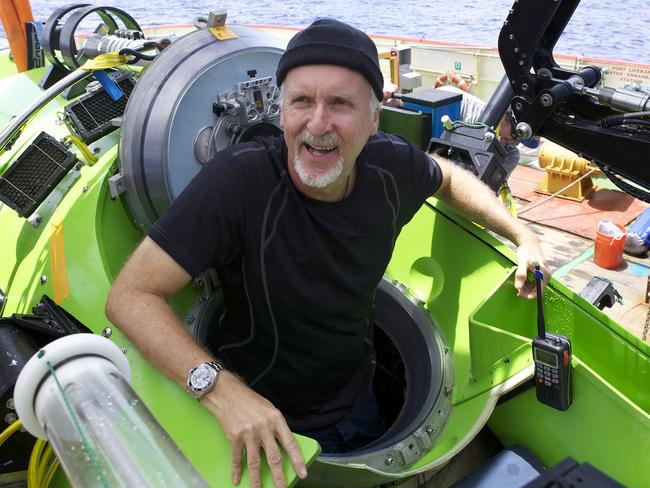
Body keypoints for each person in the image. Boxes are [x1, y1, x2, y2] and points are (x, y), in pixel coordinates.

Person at [105, 18, 549, 488]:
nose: (318, 124)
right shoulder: (238, 181)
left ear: (373, 119)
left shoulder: (390, 167)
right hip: (260, 416)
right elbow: (132, 296)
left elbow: (450, 178)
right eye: (302, 101)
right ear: (281, 112)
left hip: (358, 401)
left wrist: (523, 236)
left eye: (340, 104)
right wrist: (221, 390)